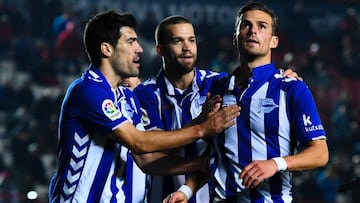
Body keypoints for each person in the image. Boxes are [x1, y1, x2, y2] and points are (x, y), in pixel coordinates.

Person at [48, 10, 241, 203]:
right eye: (131, 42)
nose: (139, 49)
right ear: (107, 49)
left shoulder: (128, 99)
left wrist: (200, 163)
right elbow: (138, 141)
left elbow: (146, 160)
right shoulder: (88, 90)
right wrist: (202, 128)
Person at [164, 2, 329, 203]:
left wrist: (275, 164)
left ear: (274, 41)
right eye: (246, 25)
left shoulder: (291, 88)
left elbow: (320, 153)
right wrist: (186, 191)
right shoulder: (216, 88)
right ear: (236, 38)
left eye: (262, 26)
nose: (252, 31)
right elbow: (218, 158)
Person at [133, 15, 302, 203]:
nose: (187, 47)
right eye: (177, 41)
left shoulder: (218, 84)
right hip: (163, 197)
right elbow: (147, 160)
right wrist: (202, 159)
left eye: (191, 40)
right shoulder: (145, 94)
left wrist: (283, 77)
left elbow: (256, 82)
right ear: (160, 49)